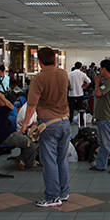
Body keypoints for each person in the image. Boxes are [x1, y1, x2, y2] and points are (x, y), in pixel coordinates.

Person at [21, 47, 71, 207]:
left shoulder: (39, 78)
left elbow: (31, 105)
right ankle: (64, 192)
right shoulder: (63, 74)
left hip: (49, 124)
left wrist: (25, 124)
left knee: (49, 161)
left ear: (39, 62)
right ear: (55, 59)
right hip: (65, 122)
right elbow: (67, 90)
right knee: (61, 159)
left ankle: (52, 197)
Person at [0, 92, 37, 171]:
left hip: (12, 134)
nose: (4, 102)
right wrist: (3, 98)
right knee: (31, 143)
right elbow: (11, 107)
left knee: (32, 139)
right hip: (7, 137)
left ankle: (28, 161)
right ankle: (22, 160)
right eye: (1, 100)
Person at [68, 61, 91, 126]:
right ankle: (81, 120)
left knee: (71, 108)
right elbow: (89, 81)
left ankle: (70, 120)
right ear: (81, 67)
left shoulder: (70, 74)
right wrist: (84, 87)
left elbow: (66, 81)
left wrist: (69, 86)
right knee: (80, 108)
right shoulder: (82, 74)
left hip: (71, 94)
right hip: (79, 93)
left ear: (74, 66)